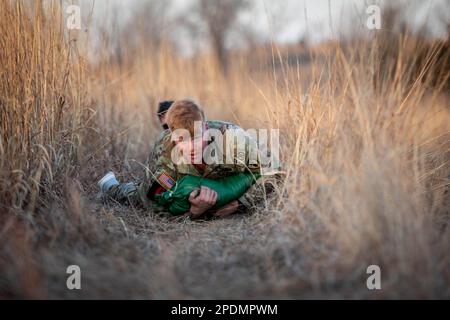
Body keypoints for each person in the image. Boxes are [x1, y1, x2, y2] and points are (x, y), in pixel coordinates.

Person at [99, 100, 282, 218]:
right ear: (172, 136)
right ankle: (111, 186)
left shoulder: (233, 140)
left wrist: (240, 203)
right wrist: (195, 212)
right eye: (182, 140)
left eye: (196, 138)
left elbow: (276, 169)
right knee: (138, 197)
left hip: (226, 181)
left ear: (206, 126)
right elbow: (154, 208)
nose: (191, 147)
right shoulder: (164, 155)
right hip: (178, 180)